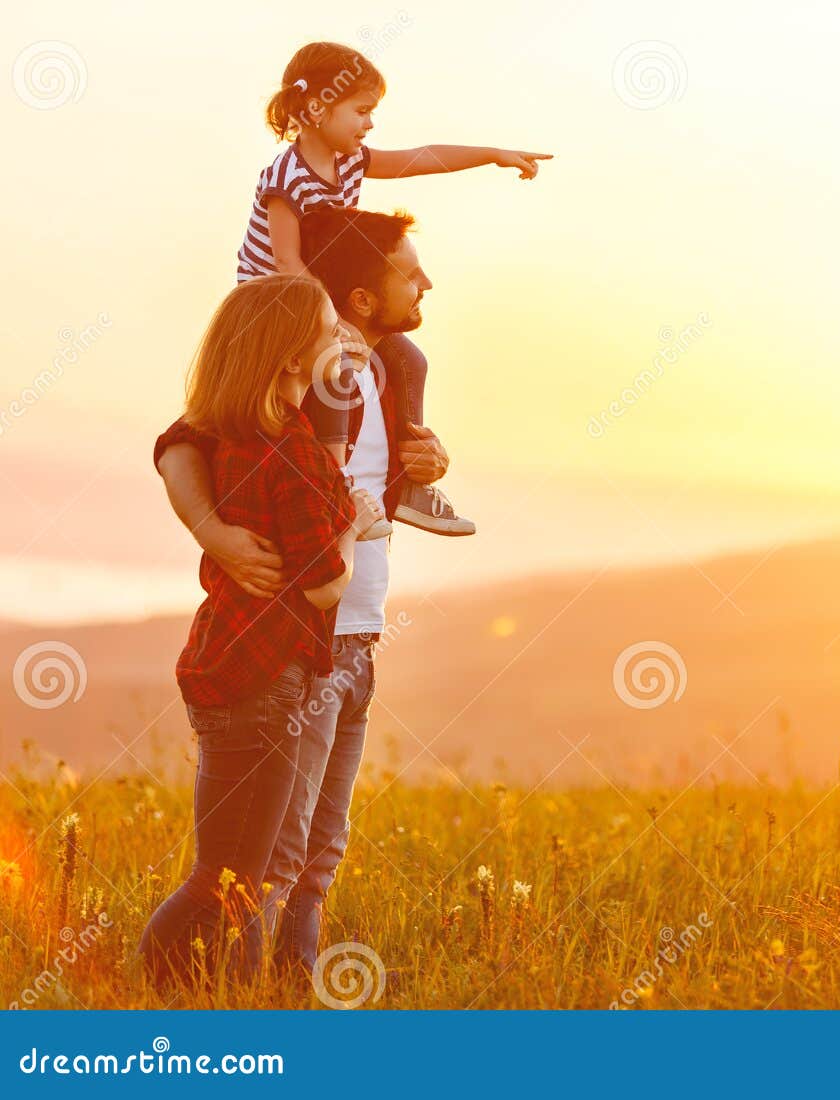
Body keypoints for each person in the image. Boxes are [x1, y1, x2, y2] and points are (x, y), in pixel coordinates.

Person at [156, 207, 450, 977]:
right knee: (266, 861)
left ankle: (290, 995)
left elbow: (362, 502)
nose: (425, 283)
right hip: (295, 641)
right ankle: (232, 995)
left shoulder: (392, 378)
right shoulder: (291, 396)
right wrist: (212, 531)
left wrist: (425, 469)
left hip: (355, 637)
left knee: (320, 851)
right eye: (407, 271)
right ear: (356, 298)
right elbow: (185, 441)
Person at [138, 275, 385, 987]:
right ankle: (190, 993)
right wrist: (355, 526)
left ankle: (186, 992)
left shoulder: (239, 437)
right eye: (328, 328)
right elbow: (324, 582)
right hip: (269, 683)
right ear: (286, 360)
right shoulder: (293, 451)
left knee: (228, 875)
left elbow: (181, 441)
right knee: (231, 881)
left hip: (226, 664)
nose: (341, 340)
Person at [238, 39, 552, 537]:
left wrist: (492, 154)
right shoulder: (286, 176)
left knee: (407, 361)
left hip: (323, 295)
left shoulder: (352, 161)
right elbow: (285, 262)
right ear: (316, 108)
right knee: (334, 369)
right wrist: (331, 321)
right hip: (278, 302)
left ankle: (406, 484)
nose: (369, 124)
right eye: (361, 111)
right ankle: (332, 487)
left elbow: (420, 158)